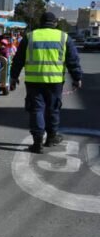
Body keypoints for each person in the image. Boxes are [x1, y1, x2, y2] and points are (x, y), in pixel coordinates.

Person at [10, 12, 83, 154]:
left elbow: (18, 59)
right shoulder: (64, 37)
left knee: (36, 109)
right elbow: (73, 60)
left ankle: (37, 142)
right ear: (55, 23)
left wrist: (13, 77)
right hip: (55, 82)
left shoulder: (30, 37)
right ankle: (51, 138)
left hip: (33, 81)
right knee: (53, 108)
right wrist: (77, 78)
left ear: (40, 22)